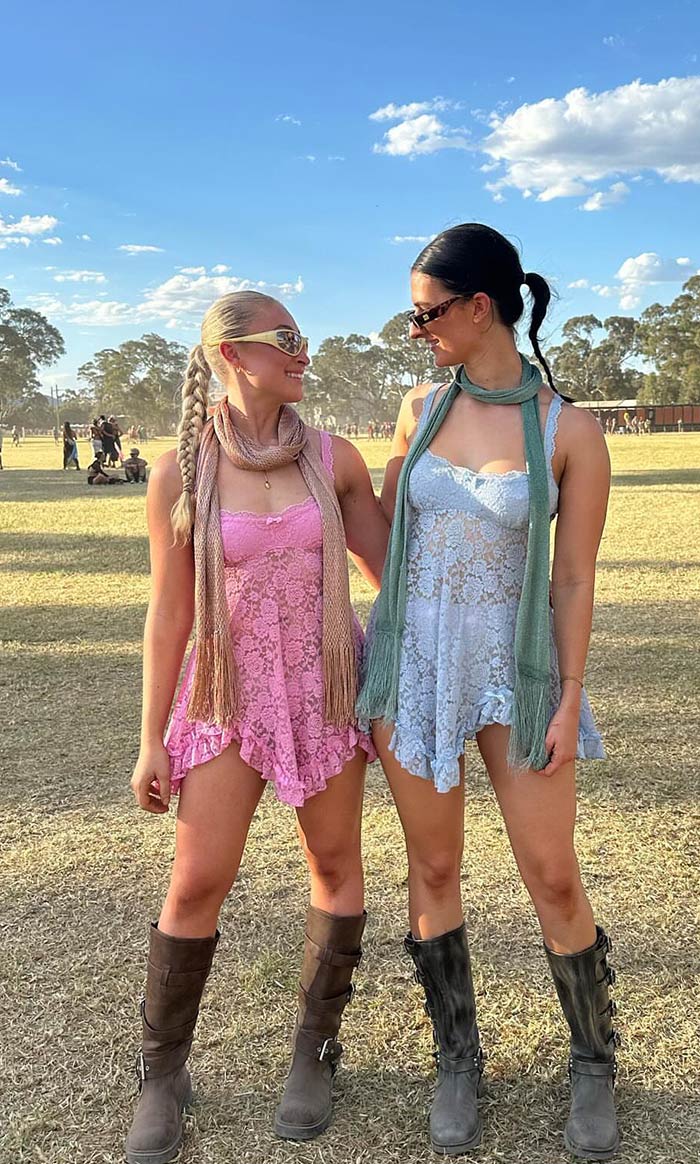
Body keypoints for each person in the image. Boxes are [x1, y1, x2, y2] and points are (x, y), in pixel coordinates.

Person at [358, 224, 619, 1159]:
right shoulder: (418, 406)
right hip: (417, 669)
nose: (415, 329)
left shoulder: (569, 430)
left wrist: (567, 693)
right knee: (433, 871)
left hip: (521, 673)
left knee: (551, 873)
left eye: (426, 312)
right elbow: (385, 530)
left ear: (481, 307)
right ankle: (457, 1056)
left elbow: (574, 581)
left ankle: (593, 1058)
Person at [125, 290, 389, 1164]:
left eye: (305, 337)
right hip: (226, 693)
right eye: (287, 339)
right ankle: (163, 1073)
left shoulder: (335, 459)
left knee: (334, 863)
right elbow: (169, 616)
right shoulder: (180, 471)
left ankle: (315, 1053)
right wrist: (150, 736)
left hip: (325, 686)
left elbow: (393, 570)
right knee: (199, 879)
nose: (303, 352)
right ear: (234, 355)